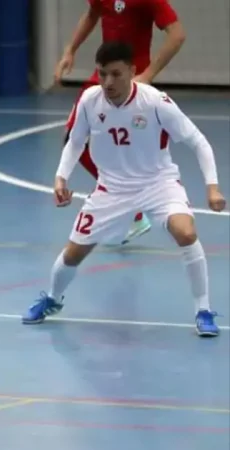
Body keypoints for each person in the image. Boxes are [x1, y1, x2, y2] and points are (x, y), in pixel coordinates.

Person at [23, 41, 225, 337]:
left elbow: (198, 141)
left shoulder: (155, 102)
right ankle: (52, 299)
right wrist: (60, 178)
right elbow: (76, 141)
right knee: (73, 253)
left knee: (186, 232)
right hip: (111, 190)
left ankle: (203, 311)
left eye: (116, 74)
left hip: (158, 183)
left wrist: (213, 187)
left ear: (132, 71)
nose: (108, 82)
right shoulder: (90, 100)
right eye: (102, 74)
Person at [55, 0, 187, 245]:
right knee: (75, 138)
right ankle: (128, 207)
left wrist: (147, 75)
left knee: (124, 145)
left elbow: (177, 34)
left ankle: (130, 208)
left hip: (130, 79)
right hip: (105, 77)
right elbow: (92, 14)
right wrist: (70, 50)